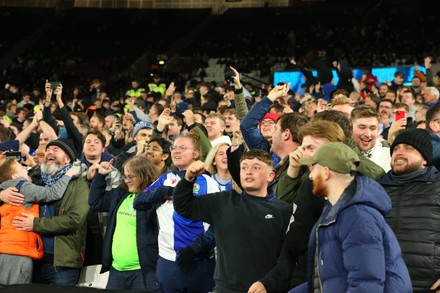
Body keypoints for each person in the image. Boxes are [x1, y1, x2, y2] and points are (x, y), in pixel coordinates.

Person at [288, 142, 411, 293]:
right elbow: (326, 280)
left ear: (326, 172)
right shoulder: (334, 211)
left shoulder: (358, 217)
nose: (311, 175)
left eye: (314, 169)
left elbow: (366, 285)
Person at [173, 149, 293, 292]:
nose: (248, 171)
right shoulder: (223, 201)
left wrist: (267, 284)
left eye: (256, 167)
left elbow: (287, 259)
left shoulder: (284, 210)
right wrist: (188, 179)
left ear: (271, 176)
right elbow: (183, 206)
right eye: (244, 167)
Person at [133, 133, 220, 293]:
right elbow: (139, 202)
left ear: (196, 153)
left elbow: (220, 225)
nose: (176, 151)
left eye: (182, 148)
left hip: (200, 261)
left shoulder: (209, 183)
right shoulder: (166, 179)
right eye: (174, 148)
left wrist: (196, 247)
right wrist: (163, 191)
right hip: (168, 262)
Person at [11, 138, 90, 286]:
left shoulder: (79, 185)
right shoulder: (35, 181)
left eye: (55, 150)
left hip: (62, 264)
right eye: (48, 150)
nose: (49, 153)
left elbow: (74, 220)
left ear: (67, 159)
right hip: (34, 260)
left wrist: (36, 224)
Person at [377, 128, 440, 292]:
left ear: (424, 159)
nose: (399, 152)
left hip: (427, 285)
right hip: (383, 283)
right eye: (396, 148)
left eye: (408, 148)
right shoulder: (375, 188)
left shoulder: (438, 186)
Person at [0, 159, 77, 285]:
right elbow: (53, 193)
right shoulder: (22, 186)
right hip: (18, 253)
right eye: (21, 167)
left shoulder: (4, 190)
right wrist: (68, 174)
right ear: (14, 176)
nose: (26, 168)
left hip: (5, 250)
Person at [89, 156, 160, 291]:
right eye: (125, 176)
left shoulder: (154, 199)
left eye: (130, 177)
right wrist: (100, 176)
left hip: (143, 272)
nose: (126, 180)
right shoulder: (121, 194)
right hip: (116, 270)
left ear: (144, 175)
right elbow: (95, 202)